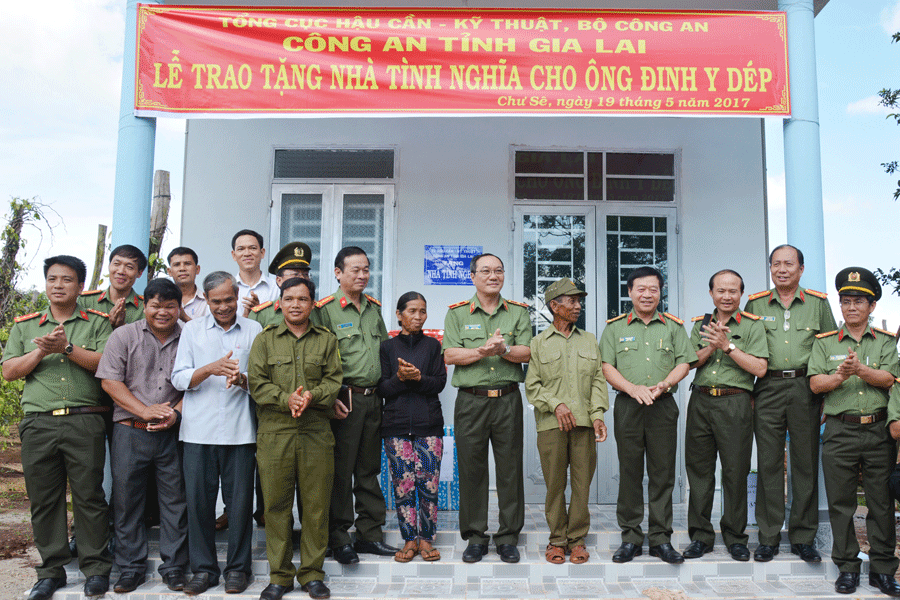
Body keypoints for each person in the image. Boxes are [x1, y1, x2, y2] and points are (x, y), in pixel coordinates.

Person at [2, 255, 113, 600]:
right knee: (44, 500)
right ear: (46, 284)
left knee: (89, 496)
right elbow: (9, 370)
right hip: (39, 423)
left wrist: (65, 347)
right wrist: (41, 352)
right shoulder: (26, 325)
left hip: (85, 419)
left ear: (80, 286)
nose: (58, 285)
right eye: (52, 279)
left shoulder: (97, 322)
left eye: (67, 280)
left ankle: (95, 568)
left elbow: (105, 363)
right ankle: (51, 572)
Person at [809, 268, 900, 597]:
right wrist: (840, 376)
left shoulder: (886, 343)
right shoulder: (825, 343)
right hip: (839, 431)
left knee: (880, 503)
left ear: (871, 306)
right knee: (841, 503)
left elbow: (889, 379)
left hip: (877, 431)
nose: (851, 307)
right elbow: (816, 383)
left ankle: (883, 570)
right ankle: (847, 567)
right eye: (845, 301)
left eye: (858, 301)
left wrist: (860, 369)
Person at [249, 277, 342, 600]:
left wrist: (312, 396)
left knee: (316, 506)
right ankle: (280, 575)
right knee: (276, 506)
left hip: (316, 431)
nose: (295, 305)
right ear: (280, 303)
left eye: (302, 299)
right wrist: (286, 398)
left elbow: (334, 381)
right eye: (289, 299)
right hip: (275, 432)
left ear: (313, 304)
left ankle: (313, 573)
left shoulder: (326, 340)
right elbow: (257, 383)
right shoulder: (265, 339)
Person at [171, 271, 262, 595]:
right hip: (198, 432)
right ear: (206, 301)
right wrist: (209, 368)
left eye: (229, 300)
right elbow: (179, 378)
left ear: (237, 296)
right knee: (198, 505)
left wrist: (243, 379)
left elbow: (263, 381)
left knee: (239, 507)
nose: (223, 307)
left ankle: (238, 570)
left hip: (240, 433)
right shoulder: (192, 330)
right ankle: (204, 570)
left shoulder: (254, 329)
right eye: (216, 302)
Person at [744, 244, 837, 563]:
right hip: (767, 388)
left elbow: (831, 350)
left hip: (806, 388)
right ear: (770, 268)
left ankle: (803, 537)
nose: (781, 269)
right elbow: (743, 351)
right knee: (769, 462)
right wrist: (749, 393)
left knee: (805, 463)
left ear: (800, 269)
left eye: (789, 264)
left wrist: (827, 396)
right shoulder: (755, 303)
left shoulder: (818, 304)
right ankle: (768, 537)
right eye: (776, 264)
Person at [95, 278, 188, 593]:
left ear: (179, 308)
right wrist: (143, 410)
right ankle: (130, 569)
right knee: (127, 501)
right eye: (156, 305)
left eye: (169, 306)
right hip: (129, 431)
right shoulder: (124, 335)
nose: (162, 312)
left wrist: (174, 412)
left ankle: (174, 568)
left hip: (174, 433)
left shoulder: (190, 338)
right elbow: (110, 381)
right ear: (145, 306)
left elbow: (198, 383)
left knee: (175, 502)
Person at [599, 266, 693, 565]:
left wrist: (666, 383)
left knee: (662, 474)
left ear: (660, 291)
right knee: (629, 472)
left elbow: (685, 363)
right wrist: (631, 388)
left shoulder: (673, 327)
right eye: (640, 289)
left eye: (653, 288)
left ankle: (661, 539)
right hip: (628, 406)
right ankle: (630, 538)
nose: (647, 294)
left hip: (662, 405)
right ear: (629, 292)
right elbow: (606, 366)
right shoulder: (614, 328)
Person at [442, 253, 531, 564]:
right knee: (471, 469)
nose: (493, 276)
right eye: (486, 271)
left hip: (508, 399)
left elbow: (527, 352)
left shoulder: (518, 312)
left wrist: (504, 349)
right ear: (473, 276)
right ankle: (476, 537)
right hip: (471, 400)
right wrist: (481, 350)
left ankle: (508, 537)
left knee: (510, 469)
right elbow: (450, 355)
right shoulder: (456, 314)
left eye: (498, 271)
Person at [312, 246, 396, 563]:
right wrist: (330, 395)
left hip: (374, 399)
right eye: (354, 270)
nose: (362, 275)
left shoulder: (373, 308)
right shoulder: (325, 310)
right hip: (344, 401)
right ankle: (339, 538)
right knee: (340, 471)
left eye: (366, 269)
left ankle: (369, 536)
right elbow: (317, 357)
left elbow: (385, 351)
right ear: (338, 273)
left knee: (368, 470)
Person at [682, 270, 768, 562]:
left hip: (736, 403)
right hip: (701, 401)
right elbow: (690, 362)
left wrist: (728, 346)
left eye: (733, 291)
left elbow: (759, 368)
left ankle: (735, 538)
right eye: (721, 291)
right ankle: (700, 537)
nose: (727, 296)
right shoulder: (700, 325)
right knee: (700, 473)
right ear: (711, 294)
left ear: (741, 294)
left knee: (735, 472)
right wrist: (712, 344)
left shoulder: (754, 326)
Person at [524, 278, 608, 565]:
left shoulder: (589, 340)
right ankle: (557, 541)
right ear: (554, 306)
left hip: (584, 423)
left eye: (578, 301)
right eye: (571, 301)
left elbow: (598, 379)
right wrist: (555, 404)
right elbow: (532, 386)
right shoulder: (538, 343)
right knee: (555, 486)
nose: (578, 306)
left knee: (582, 485)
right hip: (551, 425)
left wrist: (598, 414)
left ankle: (578, 540)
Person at [377, 292, 447, 563]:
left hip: (429, 426)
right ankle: (409, 539)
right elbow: (382, 388)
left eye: (423, 311)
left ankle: (427, 540)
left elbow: (439, 383)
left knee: (429, 485)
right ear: (399, 314)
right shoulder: (387, 348)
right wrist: (400, 378)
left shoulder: (432, 346)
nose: (418, 316)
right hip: (395, 427)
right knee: (403, 486)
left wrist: (417, 377)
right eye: (412, 311)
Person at [81, 244, 147, 328]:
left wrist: (123, 327)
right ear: (109, 266)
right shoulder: (85, 301)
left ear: (139, 273)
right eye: (116, 264)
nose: (121, 271)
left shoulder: (146, 307)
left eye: (129, 267)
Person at [250, 241, 312, 328]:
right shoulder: (262, 314)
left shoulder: (319, 311)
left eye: (305, 274)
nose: (301, 278)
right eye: (295, 274)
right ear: (279, 280)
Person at [232, 229, 279, 317]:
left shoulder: (277, 289)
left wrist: (259, 313)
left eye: (252, 248)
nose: (247, 253)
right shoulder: (227, 289)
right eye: (241, 249)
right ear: (234, 255)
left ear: (262, 253)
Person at [167, 246, 207, 321]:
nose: (182, 268)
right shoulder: (163, 301)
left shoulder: (207, 302)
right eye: (177, 265)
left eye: (187, 264)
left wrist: (185, 318)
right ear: (169, 271)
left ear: (197, 269)